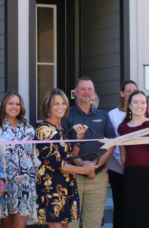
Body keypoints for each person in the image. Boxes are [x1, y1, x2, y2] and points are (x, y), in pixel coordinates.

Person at [35, 89, 93, 228]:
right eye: (56, 104)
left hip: (66, 182)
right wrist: (83, 170)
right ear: (48, 106)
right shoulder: (43, 129)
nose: (61, 107)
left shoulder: (62, 127)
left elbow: (70, 158)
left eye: (63, 103)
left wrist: (78, 140)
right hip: (51, 184)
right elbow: (56, 164)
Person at [65, 77, 118, 228]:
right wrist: (81, 165)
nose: (86, 92)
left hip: (97, 177)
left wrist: (95, 165)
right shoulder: (67, 115)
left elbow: (111, 144)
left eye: (89, 89)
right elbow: (64, 146)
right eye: (82, 89)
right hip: (73, 177)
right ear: (75, 92)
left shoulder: (103, 116)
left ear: (94, 92)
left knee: (93, 224)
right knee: (71, 224)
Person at [0, 91, 39, 228]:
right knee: (7, 225)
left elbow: (34, 158)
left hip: (25, 183)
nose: (14, 107)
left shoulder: (29, 130)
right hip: (4, 182)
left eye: (17, 104)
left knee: (19, 225)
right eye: (11, 103)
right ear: (4, 105)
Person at [118, 91, 149, 227]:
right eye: (135, 102)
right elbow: (123, 155)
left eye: (143, 102)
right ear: (129, 105)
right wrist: (127, 173)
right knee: (134, 212)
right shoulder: (122, 128)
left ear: (146, 105)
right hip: (131, 176)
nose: (139, 105)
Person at [106, 80, 137, 228]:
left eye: (134, 90)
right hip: (116, 169)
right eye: (128, 91)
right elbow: (111, 142)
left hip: (136, 169)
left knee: (134, 206)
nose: (131, 93)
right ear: (122, 94)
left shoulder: (141, 115)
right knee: (120, 206)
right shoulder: (112, 115)